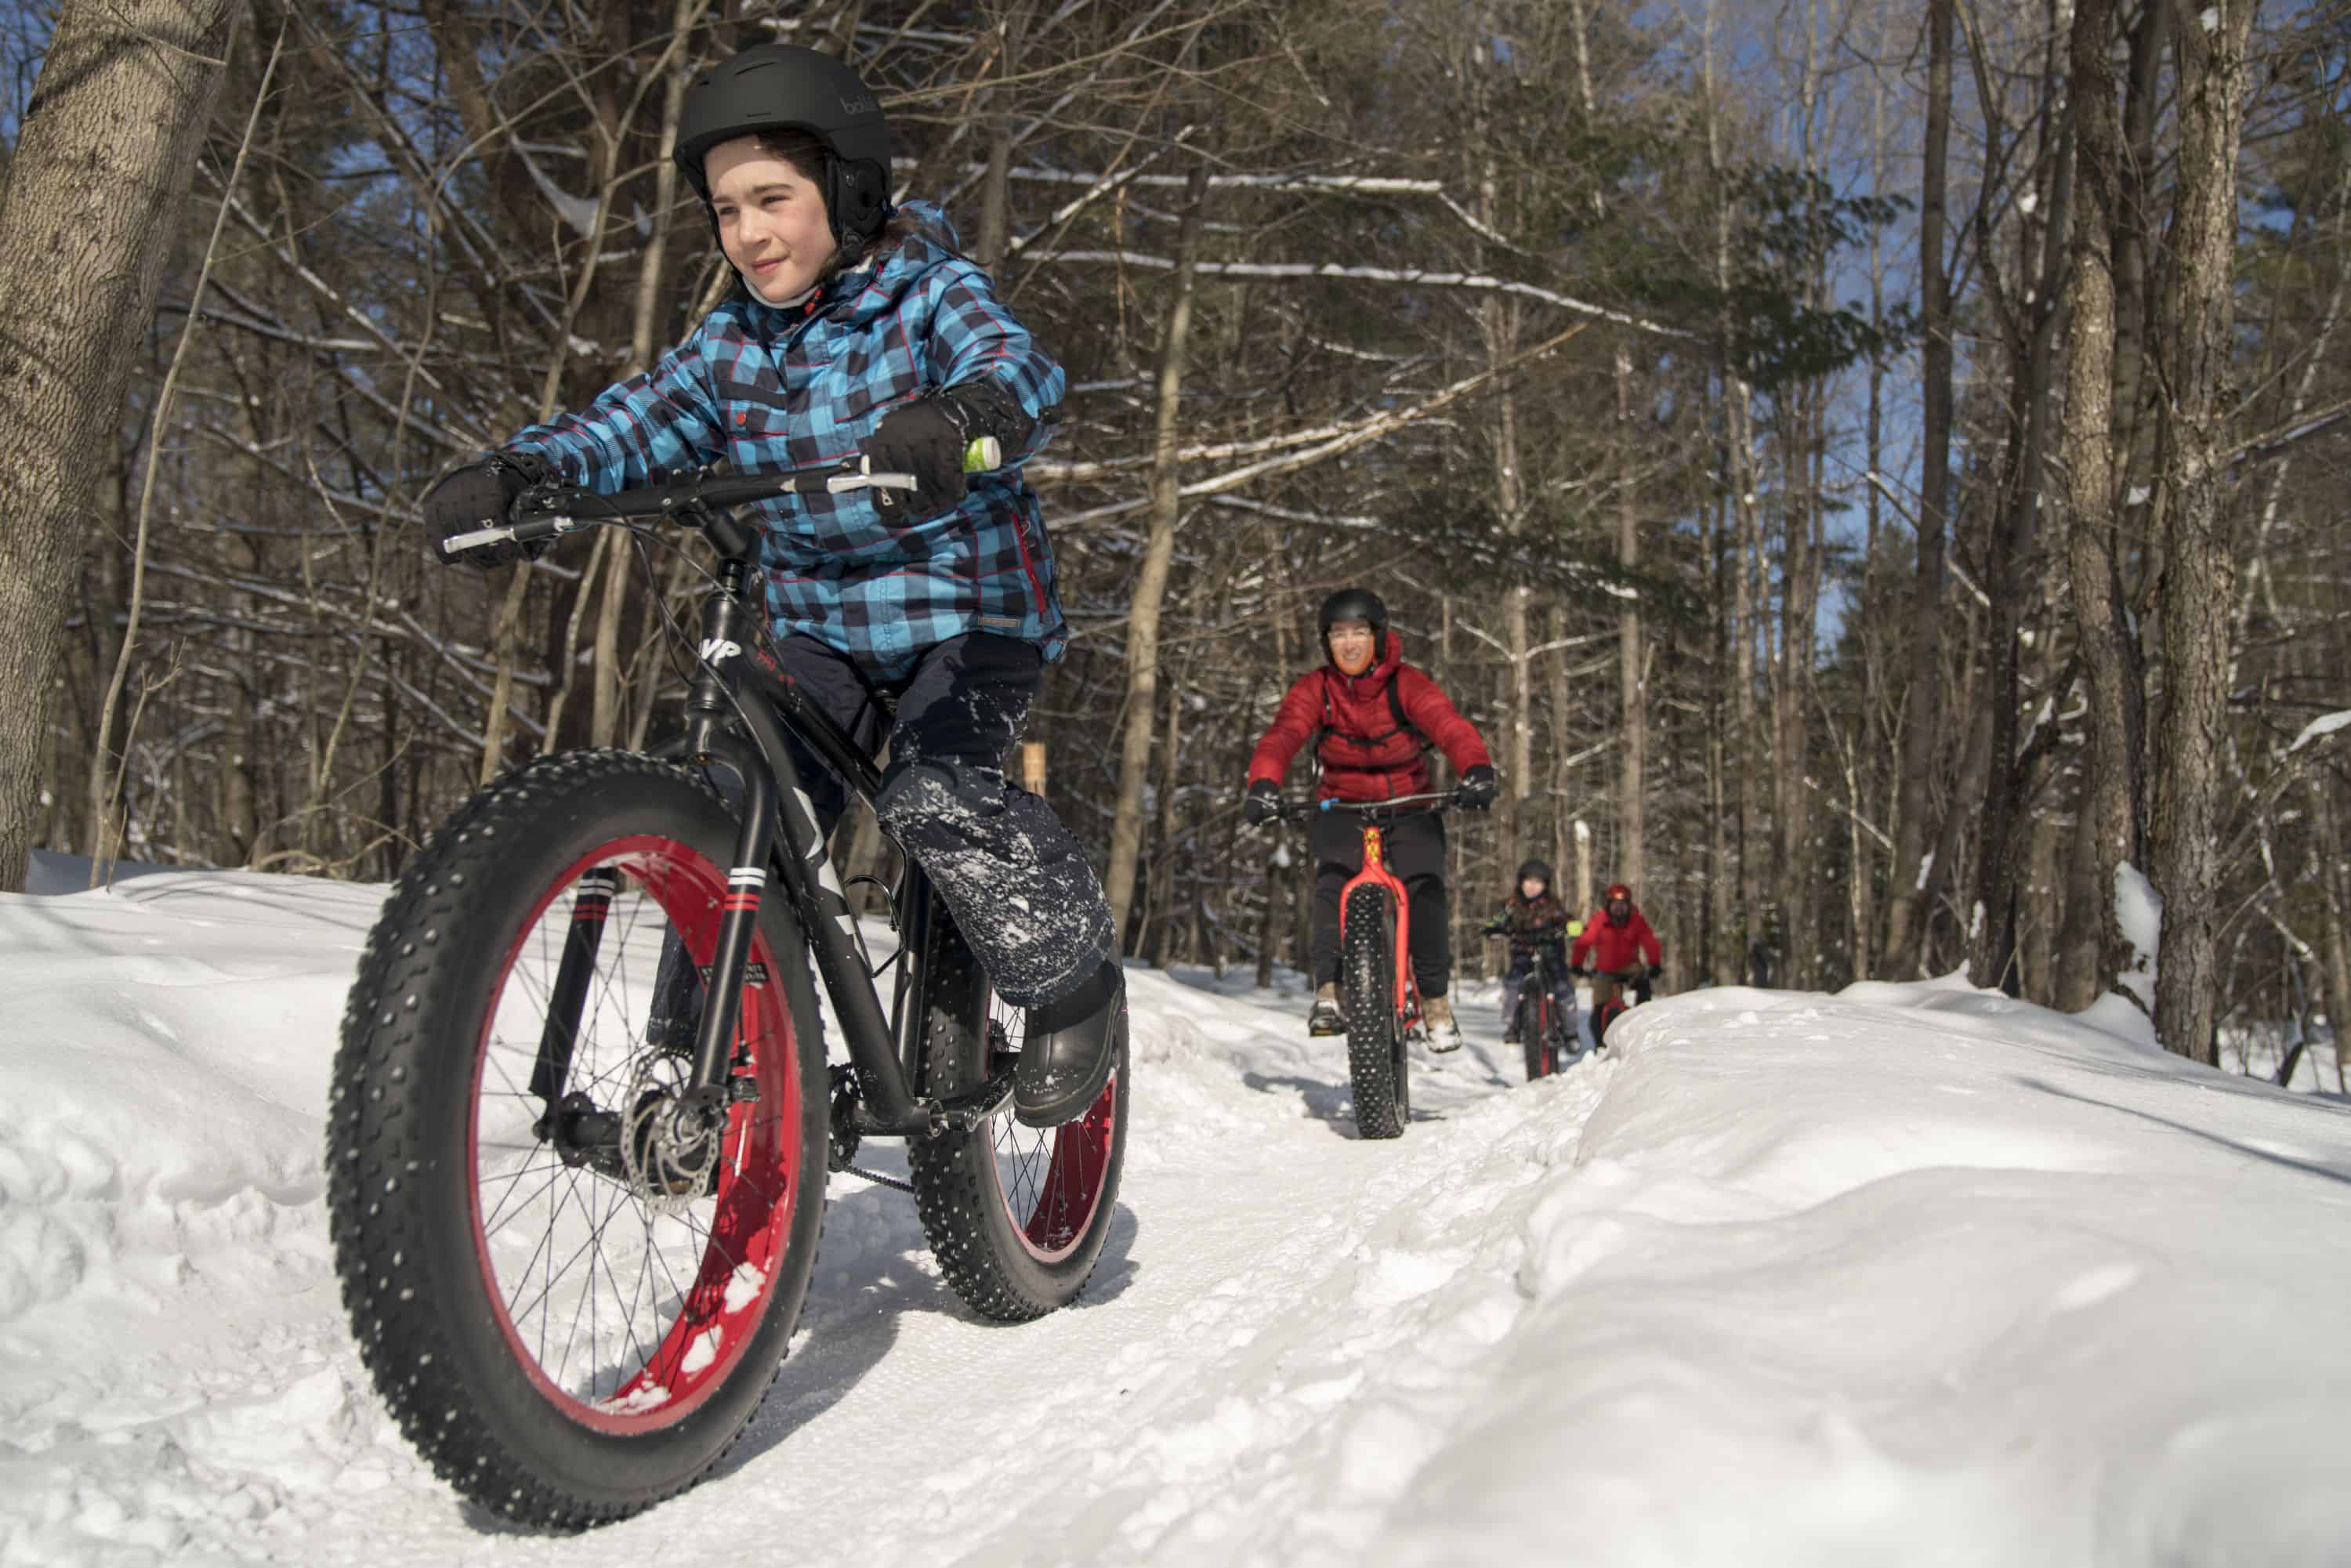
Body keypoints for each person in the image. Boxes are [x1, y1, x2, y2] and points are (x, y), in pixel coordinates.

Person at [422, 45, 1120, 1129]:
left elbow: (1020, 369)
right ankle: (706, 1065)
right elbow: (642, 419)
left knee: (935, 795)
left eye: (773, 200)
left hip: (967, 614)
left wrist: (963, 419)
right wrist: (530, 473)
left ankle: (1069, 982)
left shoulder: (927, 295)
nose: (748, 233)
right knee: (739, 808)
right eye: (725, 209)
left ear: (847, 188)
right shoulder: (732, 341)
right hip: (818, 625)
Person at [1241, 588, 1495, 1049]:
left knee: (1425, 885)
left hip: (1410, 803)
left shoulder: (1407, 684)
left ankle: (1435, 1001)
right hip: (1342, 805)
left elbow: (1449, 726)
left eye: (1359, 632)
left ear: (1378, 637)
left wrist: (1476, 771)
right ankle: (1329, 990)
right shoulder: (1316, 689)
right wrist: (1263, 784)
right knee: (1332, 879)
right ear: (1327, 642)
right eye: (1339, 634)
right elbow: (1282, 735)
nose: (1350, 643)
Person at [1482, 859, 1580, 1045]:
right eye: (1528, 881)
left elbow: (1567, 920)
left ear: (1545, 885)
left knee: (1562, 988)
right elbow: (1497, 920)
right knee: (1512, 982)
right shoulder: (1512, 905)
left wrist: (1571, 927)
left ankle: (1570, 1031)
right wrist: (1493, 929)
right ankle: (1512, 1024)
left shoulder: (1552, 906)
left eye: (1538, 882)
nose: (1532, 887)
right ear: (1521, 882)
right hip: (1522, 955)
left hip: (1550, 955)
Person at [1571, 882, 1664, 1041]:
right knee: (1599, 1007)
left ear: (1629, 905)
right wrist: (1576, 964)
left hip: (1630, 968)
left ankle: (1643, 1024)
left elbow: (1649, 942)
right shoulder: (1600, 920)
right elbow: (1584, 942)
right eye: (1615, 905)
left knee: (1643, 985)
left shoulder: (1636, 920)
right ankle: (1600, 1043)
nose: (1619, 909)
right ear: (1608, 905)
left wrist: (1654, 964)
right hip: (1605, 970)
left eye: (1622, 905)